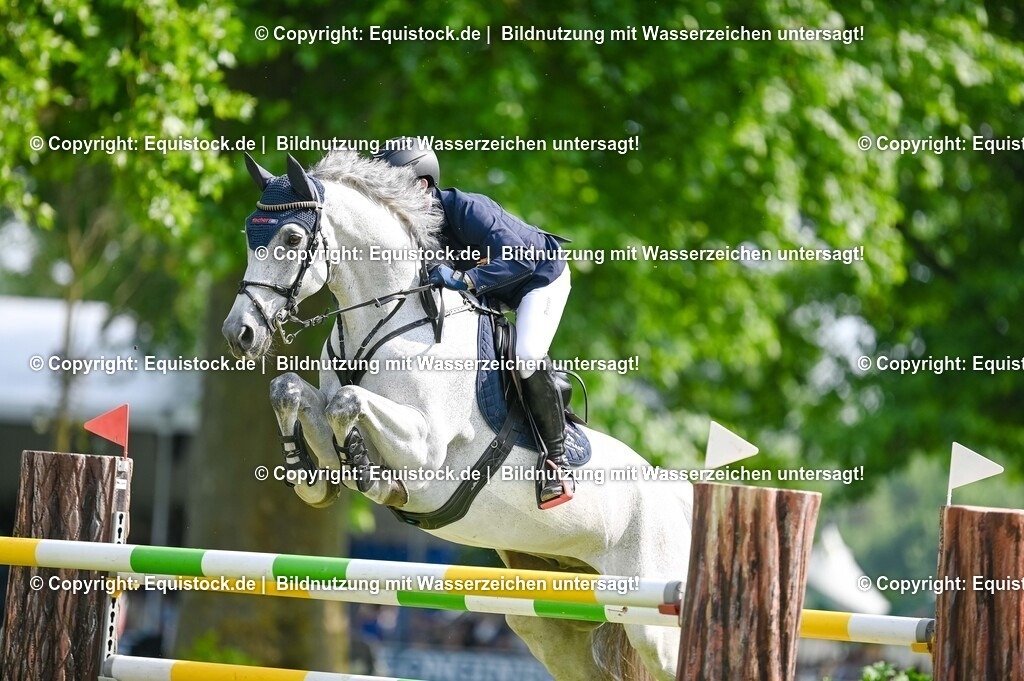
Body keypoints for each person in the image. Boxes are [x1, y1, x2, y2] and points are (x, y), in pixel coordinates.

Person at [373, 137, 574, 509]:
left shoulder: (466, 208)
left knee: (526, 356)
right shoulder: (412, 230)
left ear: (422, 185)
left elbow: (520, 260)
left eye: (391, 187)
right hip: (494, 291)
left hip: (540, 277)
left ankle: (556, 462)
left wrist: (465, 279)